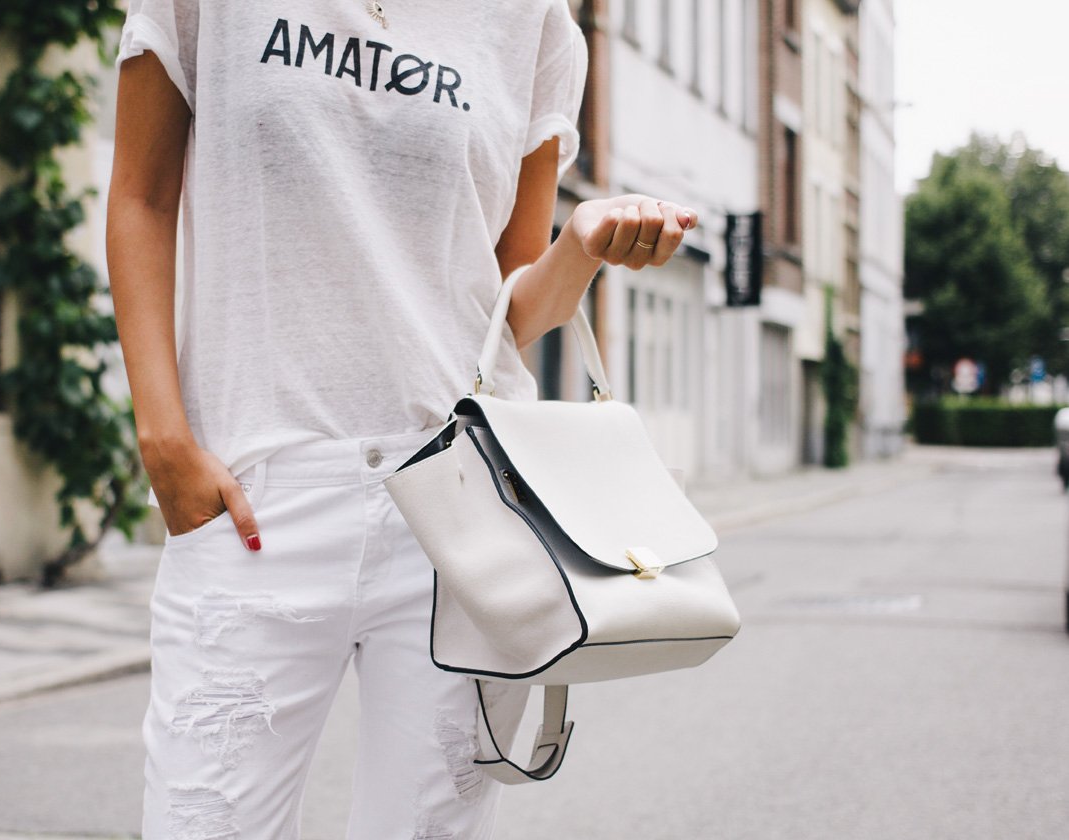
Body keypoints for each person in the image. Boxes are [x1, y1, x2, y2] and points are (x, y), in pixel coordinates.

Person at [106, 1, 697, 837]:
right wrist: (164, 440)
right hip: (254, 498)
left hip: (457, 514)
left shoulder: (533, 21)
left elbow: (506, 312)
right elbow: (140, 194)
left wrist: (579, 247)